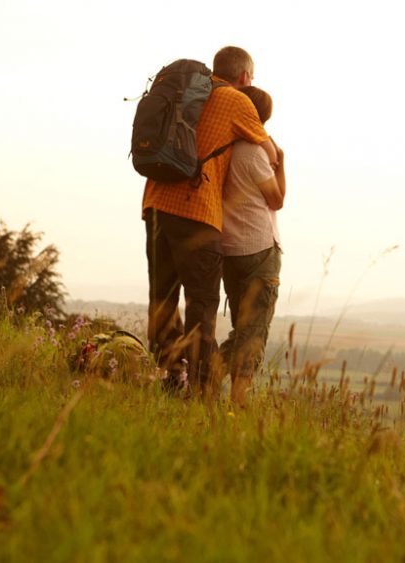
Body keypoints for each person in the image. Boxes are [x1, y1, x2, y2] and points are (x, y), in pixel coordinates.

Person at [142, 46, 278, 395]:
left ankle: (172, 376)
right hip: (197, 209)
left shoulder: (187, 91)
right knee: (202, 303)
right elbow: (269, 150)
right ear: (245, 77)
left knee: (163, 296)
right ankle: (201, 388)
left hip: (156, 202)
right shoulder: (237, 102)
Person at [219, 86, 285, 407]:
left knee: (241, 329)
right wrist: (281, 163)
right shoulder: (255, 153)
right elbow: (277, 199)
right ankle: (238, 403)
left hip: (228, 250)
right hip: (259, 248)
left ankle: (198, 382)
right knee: (254, 333)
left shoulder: (223, 148)